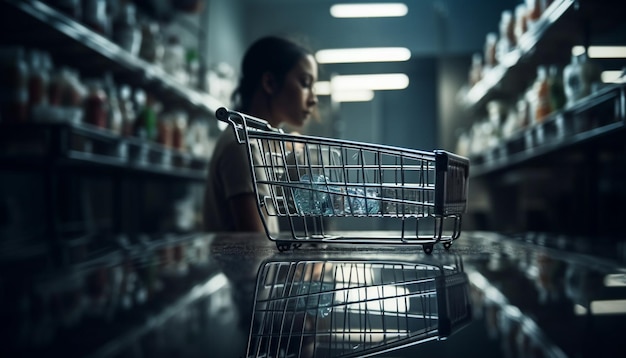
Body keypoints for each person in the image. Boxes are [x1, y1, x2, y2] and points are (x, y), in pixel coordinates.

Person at [203, 35, 319, 233]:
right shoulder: (242, 145)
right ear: (270, 83)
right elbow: (256, 246)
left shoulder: (254, 142)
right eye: (305, 83)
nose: (313, 99)